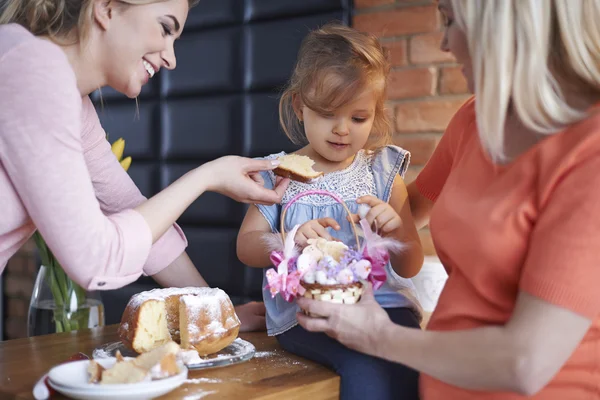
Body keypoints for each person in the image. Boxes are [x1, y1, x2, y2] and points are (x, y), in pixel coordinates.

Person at [296, 0, 600, 398]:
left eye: (452, 22)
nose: (444, 43)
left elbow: (525, 363)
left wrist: (377, 335)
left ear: (507, 27)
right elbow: (409, 211)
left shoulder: (589, 154)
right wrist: (353, 215)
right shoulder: (475, 119)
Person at [0, 0, 290, 331]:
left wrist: (214, 310)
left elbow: (139, 217)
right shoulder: (33, 68)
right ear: (106, 8)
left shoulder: (68, 100)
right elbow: (97, 258)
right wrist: (206, 177)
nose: (171, 58)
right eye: (165, 29)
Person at [237, 23, 424, 400]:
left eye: (358, 118)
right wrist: (286, 239)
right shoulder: (280, 173)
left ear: (376, 114)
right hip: (307, 312)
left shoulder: (383, 174)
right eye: (327, 114)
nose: (342, 131)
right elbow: (245, 246)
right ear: (299, 106)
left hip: (384, 305)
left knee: (414, 364)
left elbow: (411, 266)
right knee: (365, 367)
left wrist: (395, 233)